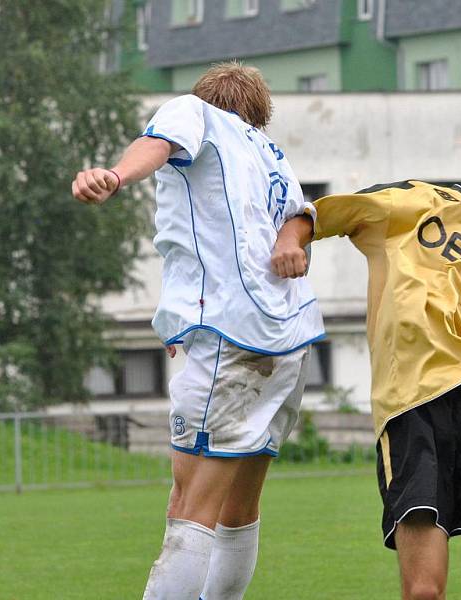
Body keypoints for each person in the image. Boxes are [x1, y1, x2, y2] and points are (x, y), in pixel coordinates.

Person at [272, 136, 461, 600]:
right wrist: (290, 241)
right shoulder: (417, 200)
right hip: (411, 406)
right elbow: (321, 214)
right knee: (424, 589)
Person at [72, 62, 324, 600]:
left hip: (231, 333)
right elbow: (302, 215)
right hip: (292, 338)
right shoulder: (273, 155)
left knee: (190, 506)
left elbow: (157, 145)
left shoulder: (195, 112)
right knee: (240, 506)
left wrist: (115, 176)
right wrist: (289, 242)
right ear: (261, 111)